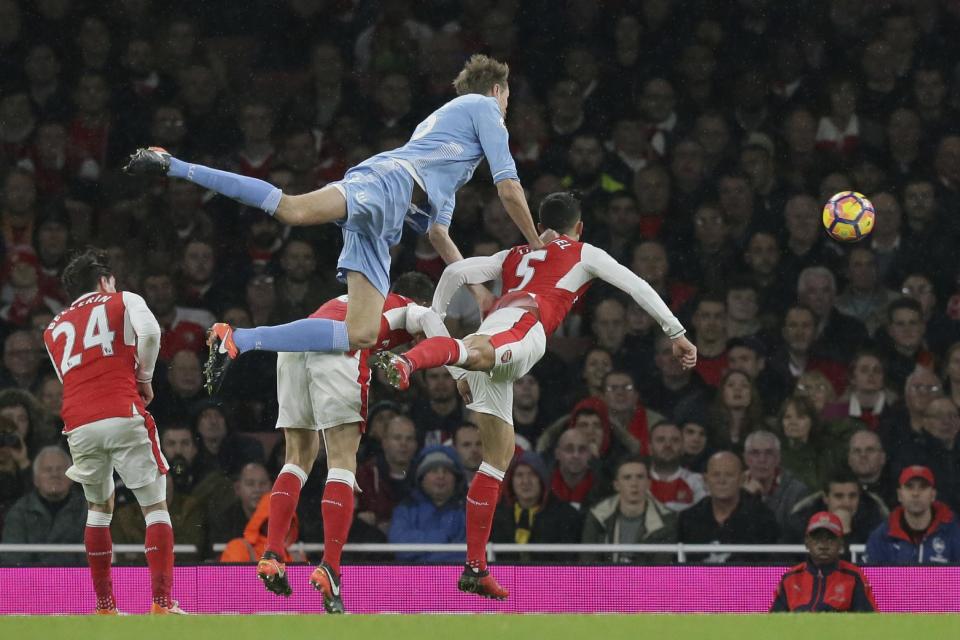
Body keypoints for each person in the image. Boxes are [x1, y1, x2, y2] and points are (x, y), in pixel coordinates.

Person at [125, 54, 543, 378]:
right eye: (506, 99)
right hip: (386, 184)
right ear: (497, 91)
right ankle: (174, 164)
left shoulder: (451, 149)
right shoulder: (483, 108)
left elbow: (438, 234)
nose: (506, 109)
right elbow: (508, 186)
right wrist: (539, 245)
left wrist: (480, 293)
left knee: (361, 333)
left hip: (384, 220)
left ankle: (239, 339)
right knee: (292, 209)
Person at [375, 192, 696, 599]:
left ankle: (474, 567)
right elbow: (636, 285)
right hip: (526, 325)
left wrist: (433, 318)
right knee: (477, 355)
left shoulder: (514, 252)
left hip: (498, 322)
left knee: (498, 458)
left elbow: (455, 273)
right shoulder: (583, 251)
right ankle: (408, 364)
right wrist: (677, 334)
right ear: (577, 227)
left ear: (539, 223)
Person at [248, 272, 445, 614]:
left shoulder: (355, 298)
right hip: (339, 348)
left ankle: (272, 552)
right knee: (341, 462)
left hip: (298, 344)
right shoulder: (406, 307)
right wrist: (455, 364)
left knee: (296, 458)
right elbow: (427, 320)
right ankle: (330, 567)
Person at [40, 249, 183, 614]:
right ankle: (162, 604)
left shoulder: (53, 328)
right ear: (104, 280)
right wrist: (145, 378)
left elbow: (67, 380)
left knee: (98, 510)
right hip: (121, 408)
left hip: (79, 422)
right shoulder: (123, 299)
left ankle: (105, 606)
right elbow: (151, 331)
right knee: (154, 506)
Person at [678, 451, 779, 563]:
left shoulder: (763, 518)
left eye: (729, 475)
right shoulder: (688, 518)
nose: (722, 481)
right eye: (716, 475)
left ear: (742, 480)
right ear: (706, 481)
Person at [770, 511, 877, 612]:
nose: (823, 545)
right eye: (817, 538)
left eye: (830, 538)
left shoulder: (854, 577)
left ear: (840, 544)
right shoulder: (790, 578)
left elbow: (869, 622)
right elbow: (773, 623)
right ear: (807, 542)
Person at [581, 455, 678, 563]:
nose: (634, 484)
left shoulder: (666, 519)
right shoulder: (597, 515)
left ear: (649, 483)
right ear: (616, 485)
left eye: (640, 477)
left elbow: (661, 570)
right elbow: (588, 564)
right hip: (605, 579)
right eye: (627, 477)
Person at [865, 466, 960, 564]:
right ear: (900, 495)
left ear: (933, 495)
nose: (915, 493)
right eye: (909, 487)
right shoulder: (881, 537)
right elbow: (871, 578)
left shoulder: (954, 533)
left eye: (923, 487)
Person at [647, 421, 706, 512]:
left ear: (682, 448)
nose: (668, 445)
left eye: (675, 440)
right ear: (650, 448)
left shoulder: (697, 481)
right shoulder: (636, 479)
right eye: (661, 440)